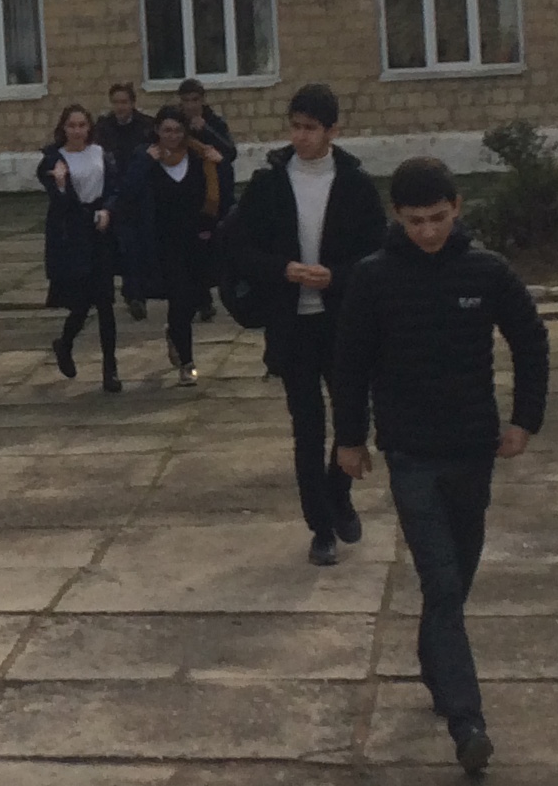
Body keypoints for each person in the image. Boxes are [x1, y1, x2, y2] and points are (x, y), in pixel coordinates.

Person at [331, 158, 549, 774]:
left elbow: (531, 340)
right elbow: (349, 363)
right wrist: (348, 439)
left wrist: (525, 419)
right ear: (397, 218)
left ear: (457, 208)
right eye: (415, 221)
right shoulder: (374, 278)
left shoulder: (486, 271)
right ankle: (467, 722)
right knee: (443, 583)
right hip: (410, 453)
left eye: (437, 218)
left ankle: (436, 664)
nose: (428, 232)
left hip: (473, 448)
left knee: (456, 580)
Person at [222, 83, 390, 563]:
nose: (300, 137)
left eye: (310, 128)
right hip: (292, 324)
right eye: (295, 127)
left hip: (342, 323)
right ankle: (320, 527)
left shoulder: (355, 185)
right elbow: (239, 249)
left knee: (352, 418)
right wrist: (283, 270)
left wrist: (335, 277)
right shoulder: (270, 184)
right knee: (307, 426)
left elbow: (376, 254)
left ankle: (339, 494)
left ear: (332, 130)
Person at [129, 109, 224, 385]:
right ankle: (187, 362)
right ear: (157, 131)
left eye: (178, 131)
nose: (172, 136)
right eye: (167, 130)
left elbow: (221, 194)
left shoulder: (199, 157)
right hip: (164, 243)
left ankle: (174, 332)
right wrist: (145, 163)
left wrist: (221, 164)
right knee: (179, 298)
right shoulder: (147, 158)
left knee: (195, 299)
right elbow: (128, 192)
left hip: (198, 240)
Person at [36, 104, 125, 391]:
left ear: (89, 128)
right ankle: (65, 343)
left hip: (100, 233)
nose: (77, 131)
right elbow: (60, 204)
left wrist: (107, 210)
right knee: (82, 302)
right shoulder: (53, 159)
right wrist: (61, 184)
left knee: (105, 302)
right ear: (63, 128)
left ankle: (110, 369)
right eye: (71, 126)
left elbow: (114, 188)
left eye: (82, 125)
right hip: (74, 236)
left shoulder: (101, 154)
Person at [175, 79, 241, 319]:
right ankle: (201, 300)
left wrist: (206, 131)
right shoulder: (178, 123)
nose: (190, 105)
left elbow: (230, 152)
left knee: (218, 247)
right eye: (186, 101)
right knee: (193, 250)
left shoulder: (214, 122)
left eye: (195, 100)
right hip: (189, 194)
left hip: (216, 195)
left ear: (202, 100)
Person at [93, 84, 152, 319]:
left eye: (124, 102)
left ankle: (138, 292)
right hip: (115, 193)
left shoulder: (146, 126)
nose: (120, 107)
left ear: (133, 103)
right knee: (124, 247)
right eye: (116, 102)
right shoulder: (103, 128)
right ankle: (132, 294)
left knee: (141, 245)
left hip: (141, 194)